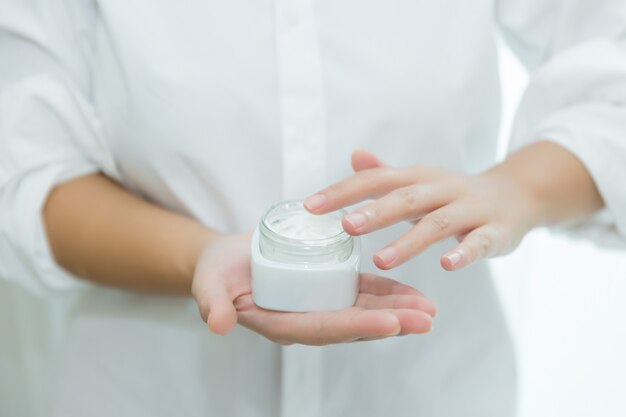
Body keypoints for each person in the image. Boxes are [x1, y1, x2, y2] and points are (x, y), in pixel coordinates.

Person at [0, 0, 624, 416]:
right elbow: (26, 170)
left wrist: (516, 189)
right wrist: (198, 257)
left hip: (433, 387)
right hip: (147, 389)